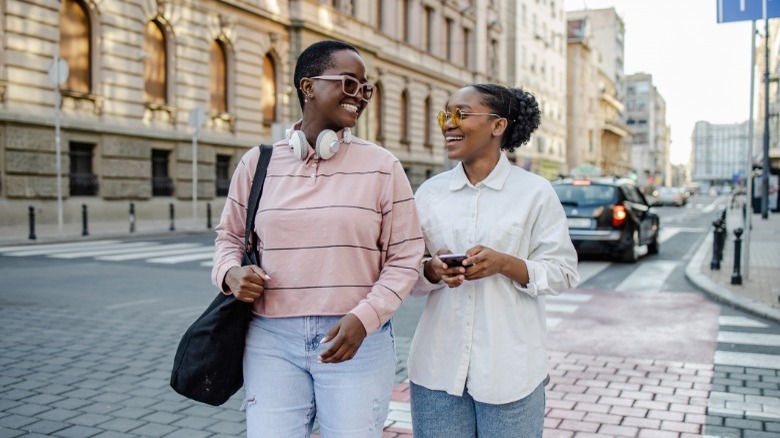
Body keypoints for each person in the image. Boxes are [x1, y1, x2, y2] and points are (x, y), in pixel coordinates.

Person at [212, 40, 424, 438]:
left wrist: (365, 319)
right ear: (308, 86)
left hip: (356, 340)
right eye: (348, 83)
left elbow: (406, 256)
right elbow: (228, 238)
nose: (359, 96)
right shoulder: (257, 163)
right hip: (270, 340)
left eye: (366, 88)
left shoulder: (383, 166)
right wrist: (229, 275)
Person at [407, 83, 580, 437]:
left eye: (462, 114)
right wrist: (433, 269)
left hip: (510, 373)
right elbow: (406, 273)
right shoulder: (429, 193)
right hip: (437, 369)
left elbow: (563, 272)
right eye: (446, 114)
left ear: (497, 125)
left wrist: (504, 264)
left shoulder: (535, 193)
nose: (448, 124)